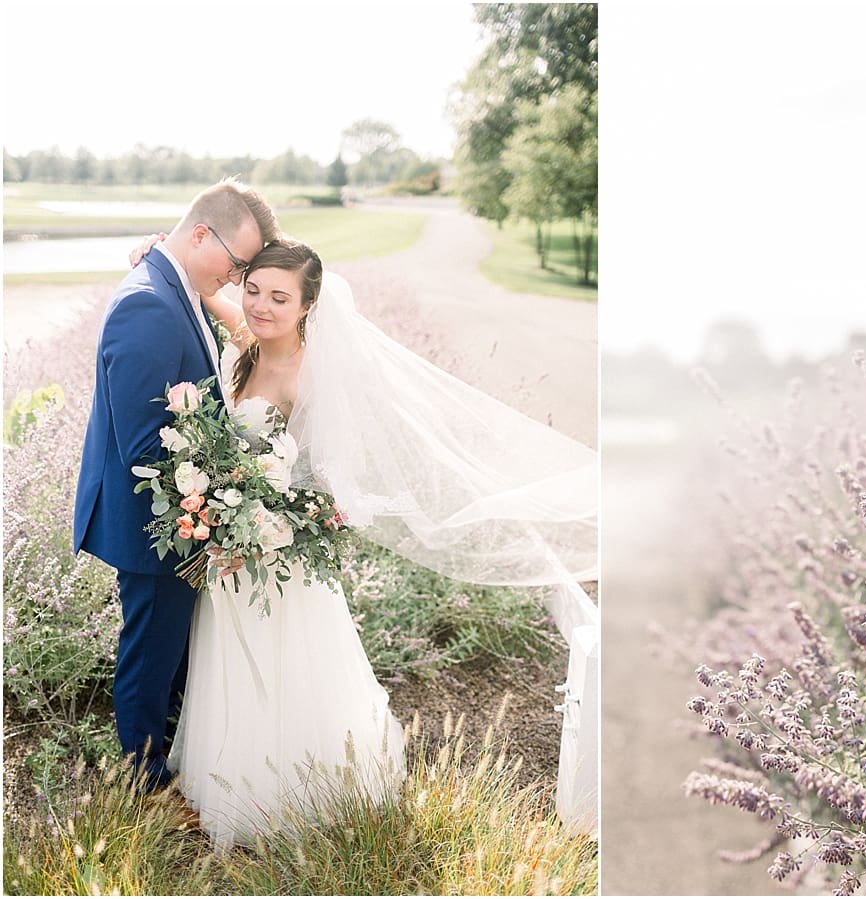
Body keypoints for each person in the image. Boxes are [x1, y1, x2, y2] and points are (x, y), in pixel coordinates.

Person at [127, 235, 598, 848]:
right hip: (230, 560)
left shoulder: (310, 375)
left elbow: (332, 493)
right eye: (254, 290)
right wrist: (154, 252)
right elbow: (206, 287)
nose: (261, 305)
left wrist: (261, 533)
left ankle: (295, 797)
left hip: (276, 562)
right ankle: (229, 783)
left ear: (307, 309)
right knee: (232, 671)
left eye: (279, 297)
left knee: (289, 674)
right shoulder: (248, 344)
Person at [74, 179, 278, 793]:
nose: (240, 279)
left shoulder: (177, 287)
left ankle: (165, 761)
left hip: (183, 518)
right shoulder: (147, 303)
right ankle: (143, 785)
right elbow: (145, 448)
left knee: (172, 653)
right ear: (198, 235)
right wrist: (227, 497)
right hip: (155, 525)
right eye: (238, 264)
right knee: (151, 654)